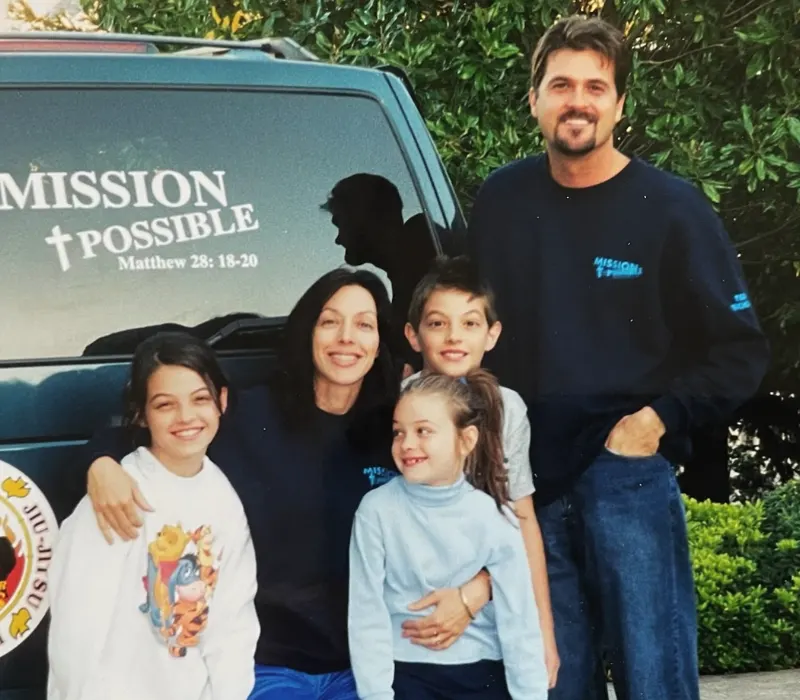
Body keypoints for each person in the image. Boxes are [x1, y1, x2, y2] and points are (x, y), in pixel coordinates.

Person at [467, 14, 770, 700]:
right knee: (551, 683)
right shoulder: (501, 201)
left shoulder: (672, 210)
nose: (578, 100)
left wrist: (655, 422)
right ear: (535, 98)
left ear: (619, 104)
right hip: (527, 485)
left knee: (653, 680)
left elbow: (739, 349)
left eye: (596, 87)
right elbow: (468, 323)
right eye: (562, 84)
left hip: (625, 478)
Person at [80, 268, 494, 700]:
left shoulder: (400, 428)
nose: (347, 338)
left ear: (380, 343)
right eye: (330, 321)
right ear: (307, 331)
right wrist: (100, 462)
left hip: (369, 665)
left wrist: (474, 592)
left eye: (364, 325)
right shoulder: (248, 415)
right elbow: (144, 430)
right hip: (266, 664)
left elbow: (490, 517)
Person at [47, 332, 259, 700]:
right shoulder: (119, 495)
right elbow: (76, 632)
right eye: (164, 405)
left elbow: (232, 622)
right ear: (140, 414)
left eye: (200, 399)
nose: (186, 417)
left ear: (221, 401)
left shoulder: (223, 498)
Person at [403, 254, 559, 687]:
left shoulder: (506, 408)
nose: (454, 336)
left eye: (470, 324)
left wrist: (542, 633)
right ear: (413, 335)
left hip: (489, 619)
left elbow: (521, 520)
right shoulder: (396, 407)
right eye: (438, 323)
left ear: (492, 334)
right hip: (414, 619)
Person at [348, 369, 547, 700]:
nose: (407, 444)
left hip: (482, 673)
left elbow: (520, 622)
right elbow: (366, 613)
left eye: (423, 431)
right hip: (404, 673)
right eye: (399, 433)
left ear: (466, 440)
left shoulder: (495, 517)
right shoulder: (375, 510)